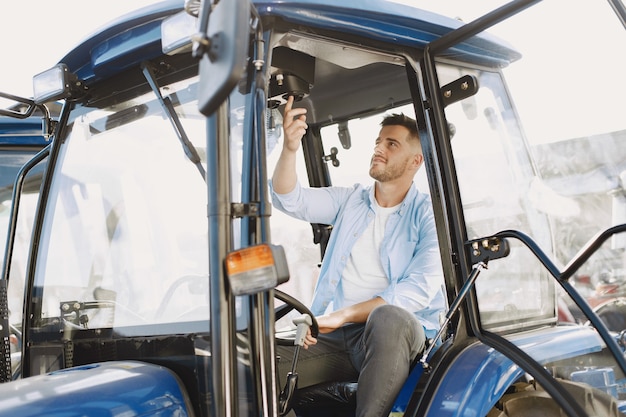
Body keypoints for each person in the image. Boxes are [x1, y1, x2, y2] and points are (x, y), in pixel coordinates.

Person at [270, 96, 445, 417]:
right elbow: (288, 199)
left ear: (416, 161)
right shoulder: (351, 200)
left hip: (397, 338)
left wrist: (343, 315)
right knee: (255, 365)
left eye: (391, 144)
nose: (379, 149)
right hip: (338, 338)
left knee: (388, 316)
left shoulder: (429, 216)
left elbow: (416, 291)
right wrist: (290, 149)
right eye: (378, 142)